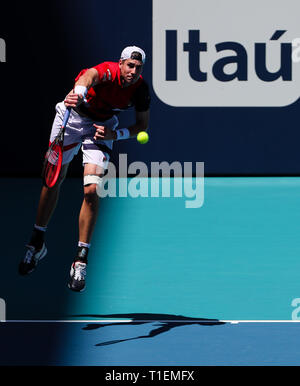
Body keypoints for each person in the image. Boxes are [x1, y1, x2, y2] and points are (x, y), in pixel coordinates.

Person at [18, 46, 150, 292]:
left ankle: (80, 259)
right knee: (52, 181)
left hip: (101, 127)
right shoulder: (108, 71)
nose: (133, 71)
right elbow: (88, 75)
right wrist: (79, 92)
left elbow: (142, 125)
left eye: (138, 67)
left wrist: (115, 134)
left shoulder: (140, 89)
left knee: (92, 190)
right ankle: (37, 242)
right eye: (130, 66)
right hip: (72, 117)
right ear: (121, 64)